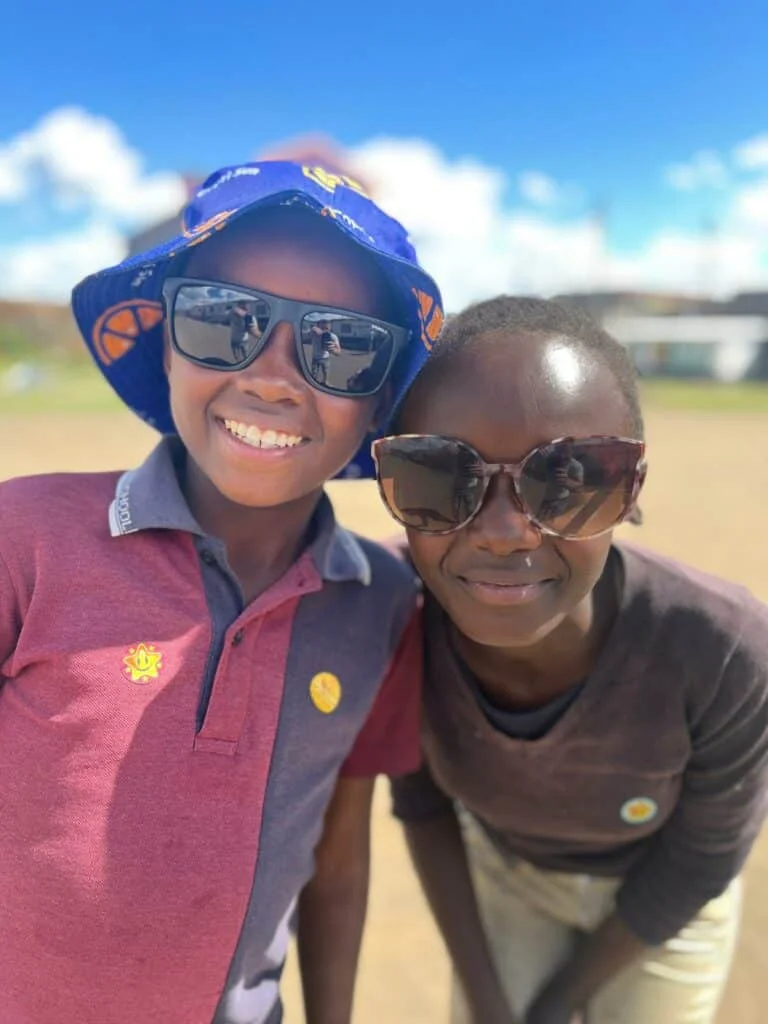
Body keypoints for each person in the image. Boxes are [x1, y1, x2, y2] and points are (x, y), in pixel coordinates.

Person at [0, 160, 443, 1024]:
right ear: (167, 343)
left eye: (341, 344)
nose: (274, 378)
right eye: (222, 321)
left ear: (380, 399)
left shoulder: (382, 602)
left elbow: (339, 861)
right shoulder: (26, 538)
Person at [372, 296, 768, 1024]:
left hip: (661, 901)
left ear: (631, 491)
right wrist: (490, 1003)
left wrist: (557, 1005)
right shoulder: (393, 619)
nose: (501, 532)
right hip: (510, 879)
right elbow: (423, 808)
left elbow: (704, 858)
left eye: (572, 477)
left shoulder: (722, 647)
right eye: (436, 476)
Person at [309, 318, 341, 384]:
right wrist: (312, 329)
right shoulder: (314, 334)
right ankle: (313, 384)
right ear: (318, 327)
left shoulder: (333, 336)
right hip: (315, 358)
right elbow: (304, 335)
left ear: (330, 328)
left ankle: (325, 383)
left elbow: (338, 352)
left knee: (326, 374)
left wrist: (333, 350)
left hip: (326, 358)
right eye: (322, 328)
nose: (324, 331)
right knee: (313, 375)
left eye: (326, 328)